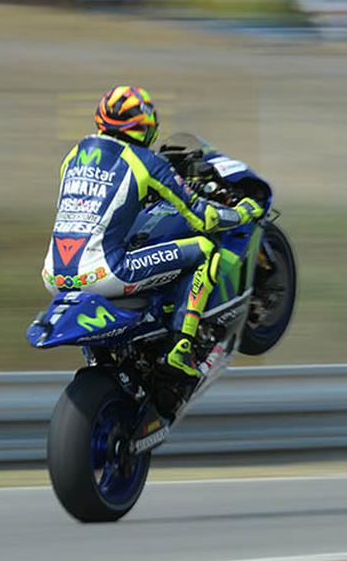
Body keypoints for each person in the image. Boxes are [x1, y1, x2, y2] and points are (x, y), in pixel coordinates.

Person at [41, 85, 263, 379]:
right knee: (203, 250)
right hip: (105, 270)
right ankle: (180, 347)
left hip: (54, 274)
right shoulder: (144, 161)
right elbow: (201, 216)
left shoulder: (73, 157)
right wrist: (243, 212)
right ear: (144, 127)